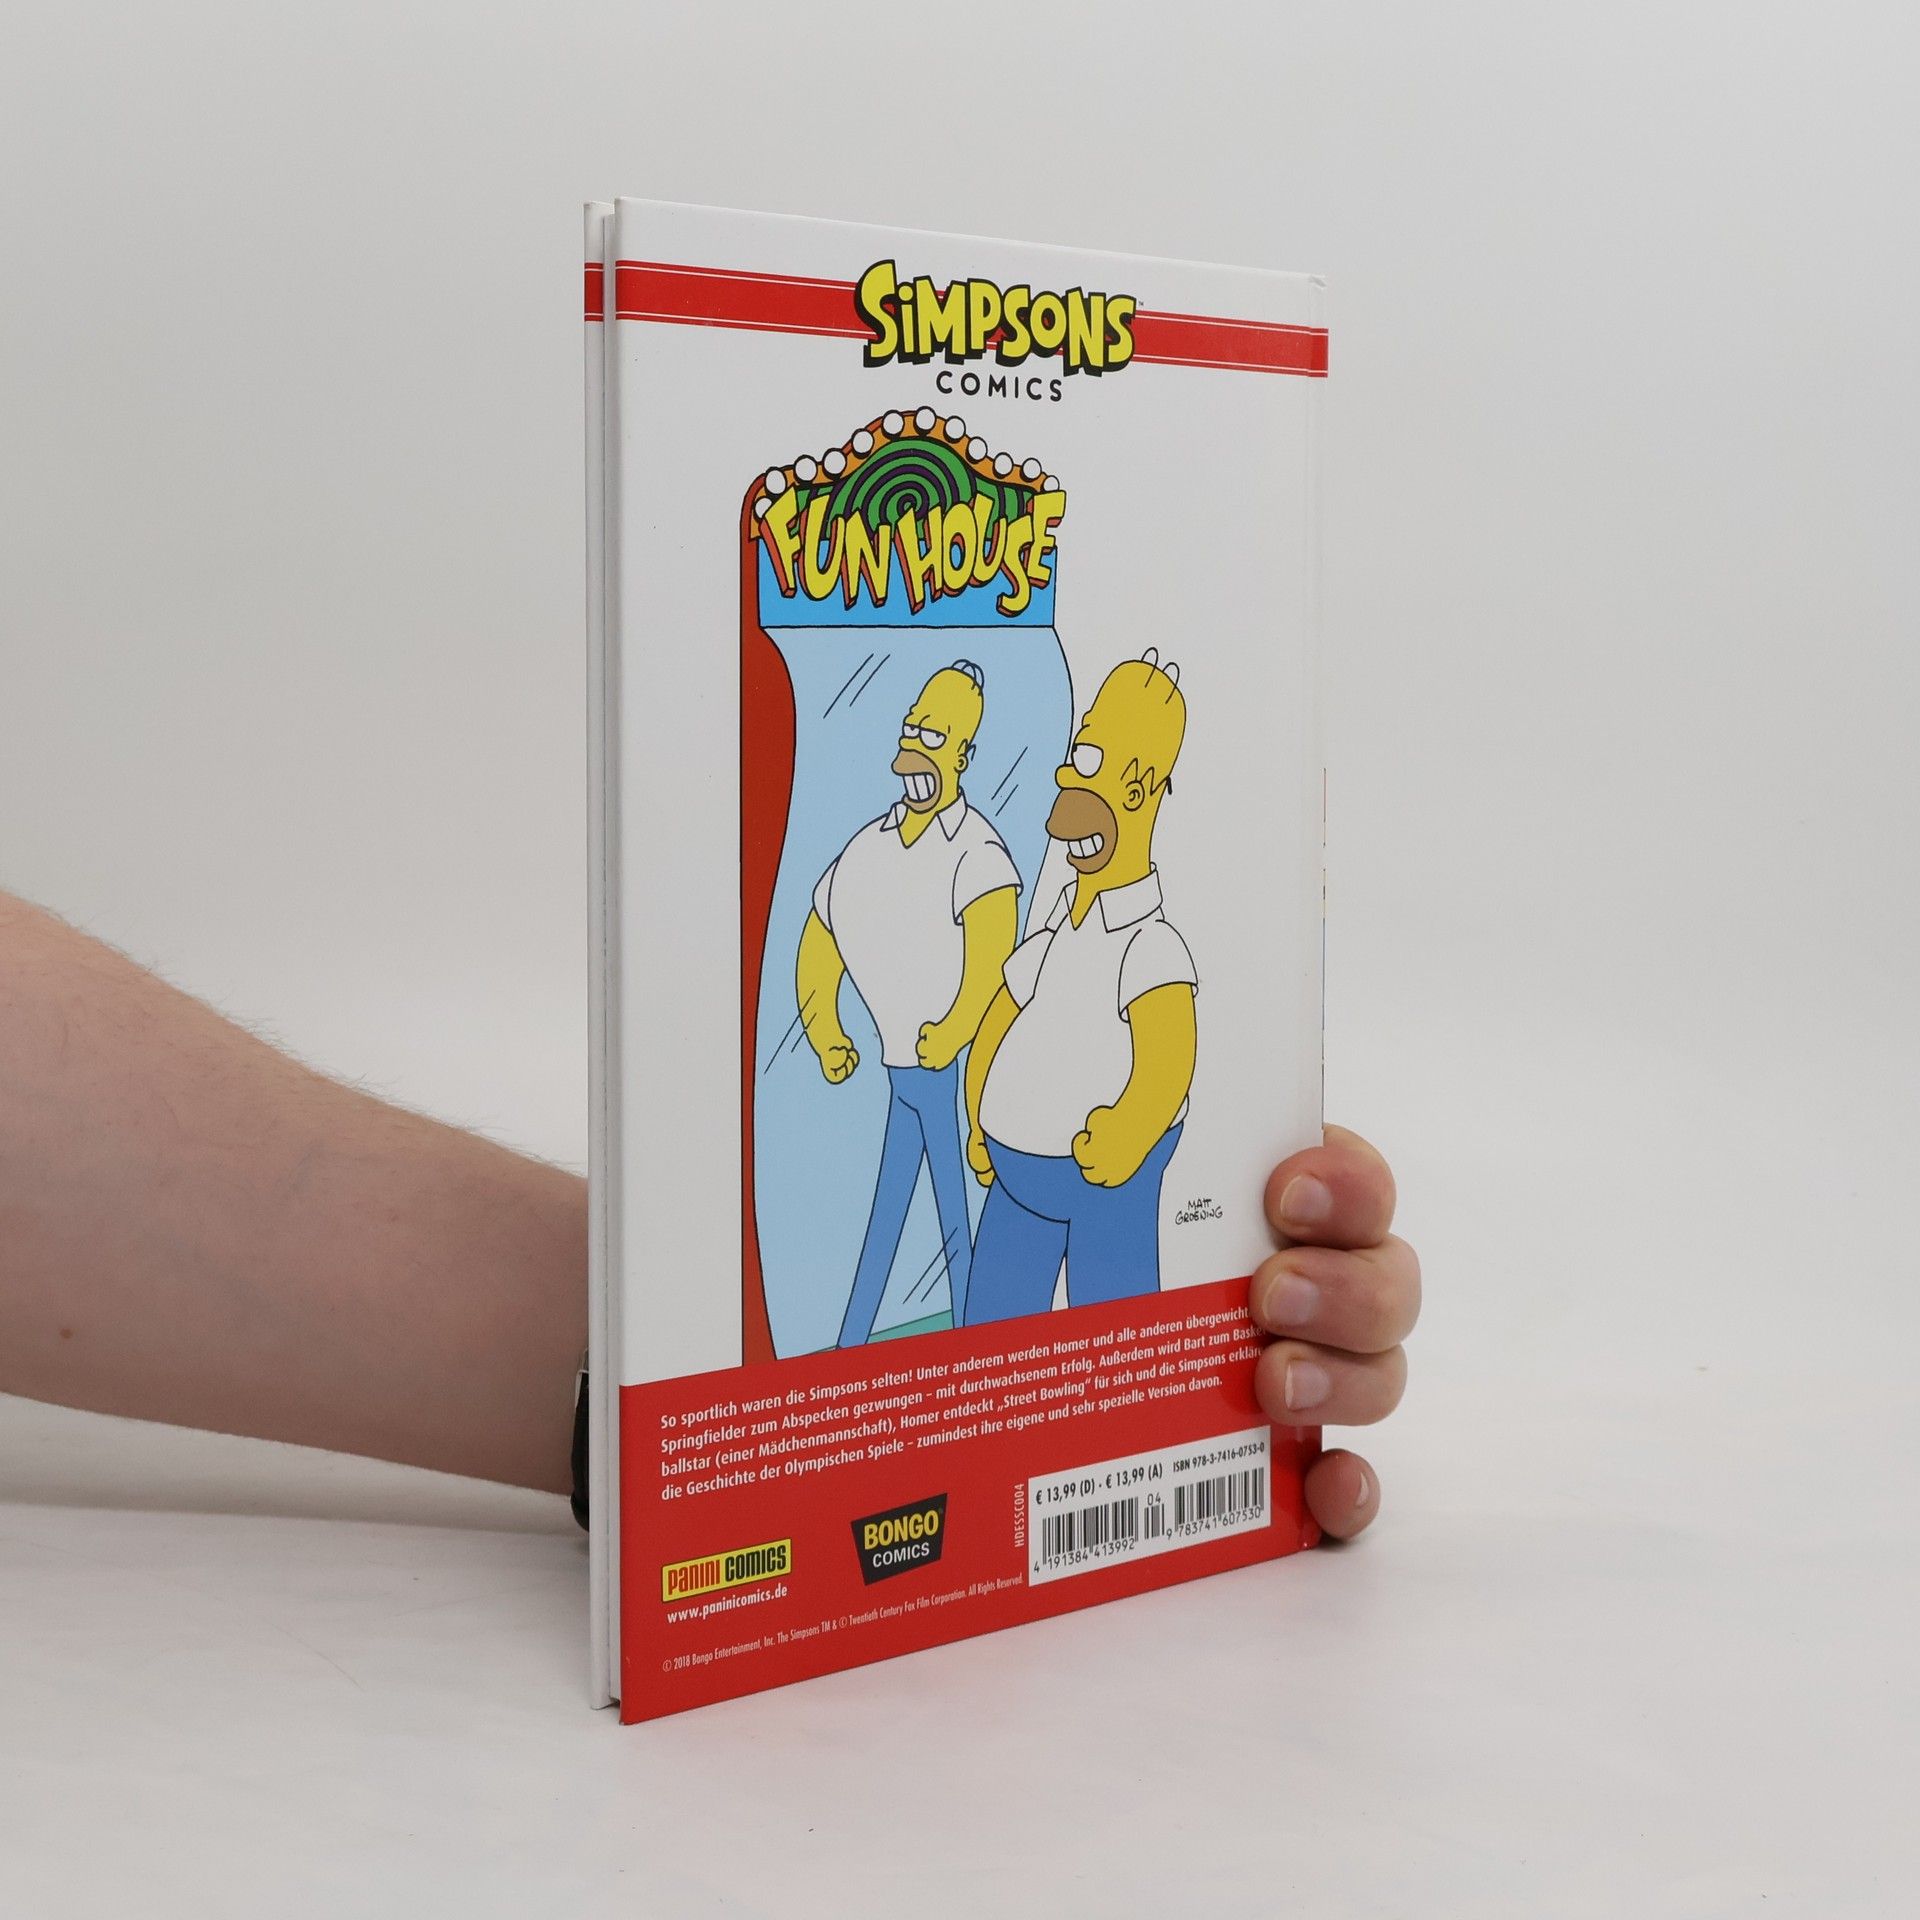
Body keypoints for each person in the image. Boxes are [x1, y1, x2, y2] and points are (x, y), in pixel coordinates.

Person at [0, 889, 1418, 1540]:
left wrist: (701, 1381)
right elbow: (846, 945)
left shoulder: (1086, 915)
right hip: (977, 1129)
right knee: (918, 1249)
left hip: (1068, 1177)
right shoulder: (992, 893)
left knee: (990, 1278)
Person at [966, 650, 1196, 1319]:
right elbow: (999, 1016)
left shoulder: (1149, 947)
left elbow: (1167, 1061)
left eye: (1089, 756)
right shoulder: (1054, 932)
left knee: (1114, 1320)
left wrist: (1129, 1133)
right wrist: (978, 1114)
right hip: (1016, 1177)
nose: (1069, 773)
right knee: (992, 1325)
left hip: (1104, 1182)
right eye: (1077, 751)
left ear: (1139, 787)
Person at [798, 661, 1020, 1343]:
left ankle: (928, 1334)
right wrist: (825, 1028)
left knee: (937, 1207)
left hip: (940, 1067)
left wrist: (953, 1030)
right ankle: (878, 1337)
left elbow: (992, 955)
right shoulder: (867, 847)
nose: (918, 746)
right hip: (906, 1067)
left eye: (937, 735)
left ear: (964, 756)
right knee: (908, 1208)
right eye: (913, 728)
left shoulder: (977, 851)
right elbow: (822, 934)